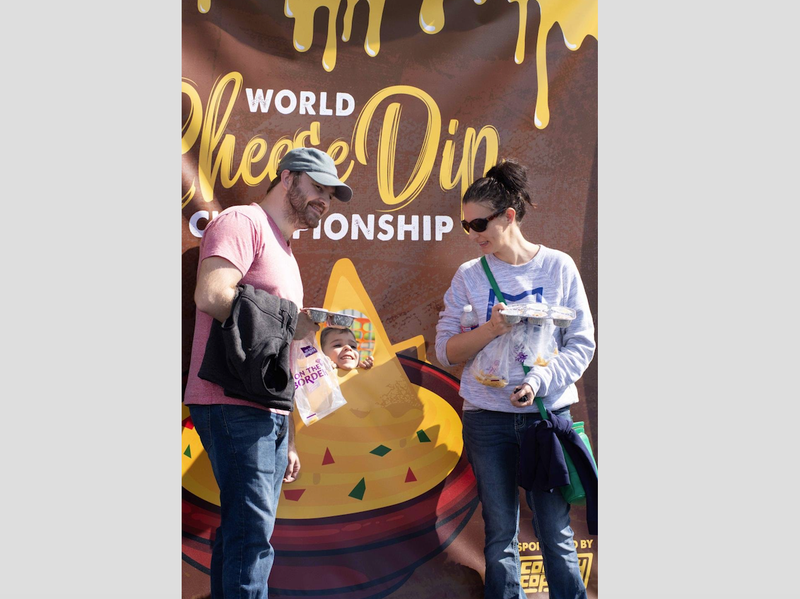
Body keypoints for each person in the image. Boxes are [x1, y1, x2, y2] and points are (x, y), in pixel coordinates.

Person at [184, 147, 353, 599]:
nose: (324, 199)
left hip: (267, 411)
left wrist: (290, 433)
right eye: (317, 187)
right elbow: (212, 295)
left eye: (331, 194)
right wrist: (291, 320)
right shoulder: (242, 222)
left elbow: (285, 351)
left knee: (246, 534)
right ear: (286, 177)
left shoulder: (287, 250)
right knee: (252, 537)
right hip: (230, 401)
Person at [434, 159, 596, 599]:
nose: (473, 234)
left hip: (545, 417)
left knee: (554, 531)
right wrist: (489, 330)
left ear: (509, 216)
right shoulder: (469, 276)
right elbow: (445, 351)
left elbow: (581, 343)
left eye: (480, 223)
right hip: (487, 420)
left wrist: (540, 382)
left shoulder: (558, 267)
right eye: (466, 225)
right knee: (500, 532)